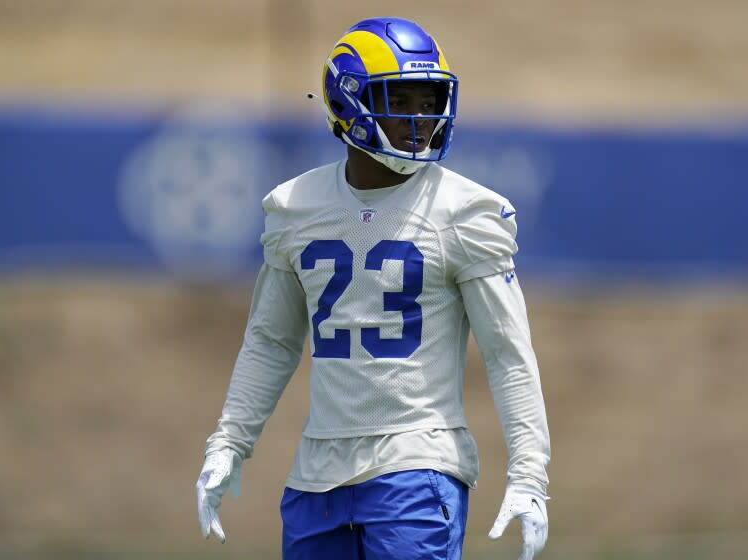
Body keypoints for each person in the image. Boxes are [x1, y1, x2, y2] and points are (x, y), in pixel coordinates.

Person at [196, 16, 551, 560]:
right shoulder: (295, 208)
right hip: (316, 476)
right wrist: (228, 443)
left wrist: (529, 473)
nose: (420, 118)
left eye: (430, 101)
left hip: (417, 466)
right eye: (401, 99)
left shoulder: (465, 211)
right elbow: (271, 341)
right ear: (348, 104)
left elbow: (508, 354)